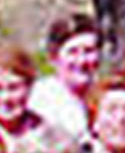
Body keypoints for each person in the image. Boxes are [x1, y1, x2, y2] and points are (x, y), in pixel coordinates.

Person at [28, 13, 102, 144]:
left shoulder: (105, 95)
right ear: (55, 57)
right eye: (73, 52)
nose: (82, 60)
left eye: (89, 51)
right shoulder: (40, 101)